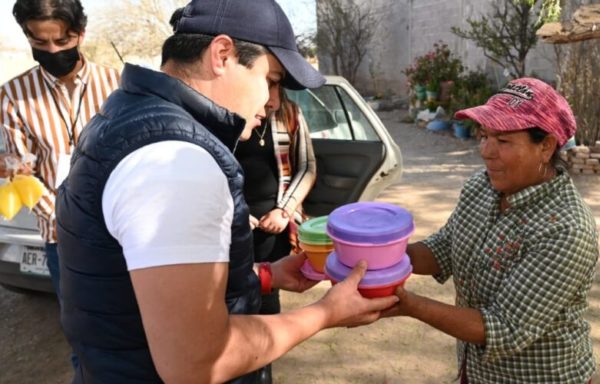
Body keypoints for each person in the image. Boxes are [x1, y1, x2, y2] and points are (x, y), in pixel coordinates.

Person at [54, 0, 397, 383]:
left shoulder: (127, 117)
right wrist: (325, 313)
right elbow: (198, 361)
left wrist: (265, 276)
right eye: (271, 80)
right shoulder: (178, 162)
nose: (273, 101)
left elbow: (144, 280)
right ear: (222, 54)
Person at [385, 78, 599, 383]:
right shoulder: (481, 187)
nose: (486, 151)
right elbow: (444, 249)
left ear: (546, 146)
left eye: (503, 141)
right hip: (477, 372)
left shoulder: (565, 229)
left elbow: (505, 327)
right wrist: (377, 254)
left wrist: (408, 304)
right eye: (483, 135)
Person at [0, 0, 120, 297]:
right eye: (39, 41)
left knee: (130, 326)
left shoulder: (118, 84)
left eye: (61, 40)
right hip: (60, 240)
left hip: (119, 233)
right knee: (81, 329)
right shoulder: (13, 95)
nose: (52, 50)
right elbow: (20, 172)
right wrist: (63, 219)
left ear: (80, 34)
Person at [235, 88, 317, 382]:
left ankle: (263, 369)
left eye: (276, 85)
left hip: (275, 226)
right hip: (234, 225)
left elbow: (307, 167)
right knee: (233, 298)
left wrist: (284, 211)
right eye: (266, 82)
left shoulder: (290, 113)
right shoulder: (231, 111)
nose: (271, 98)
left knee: (268, 298)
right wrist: (233, 213)